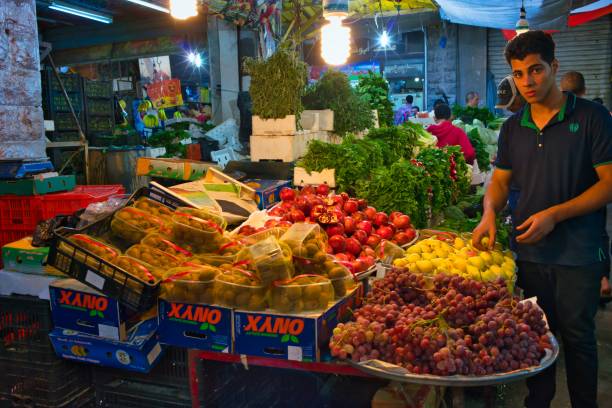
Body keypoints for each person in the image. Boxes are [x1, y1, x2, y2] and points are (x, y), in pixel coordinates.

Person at [472, 30, 612, 408]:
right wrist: (488, 213)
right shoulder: (513, 127)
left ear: (554, 66)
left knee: (578, 338)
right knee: (538, 333)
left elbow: (609, 184)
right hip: (531, 252)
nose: (527, 82)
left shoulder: (592, 118)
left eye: (535, 70)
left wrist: (555, 214)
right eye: (518, 74)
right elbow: (499, 183)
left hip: (580, 253)